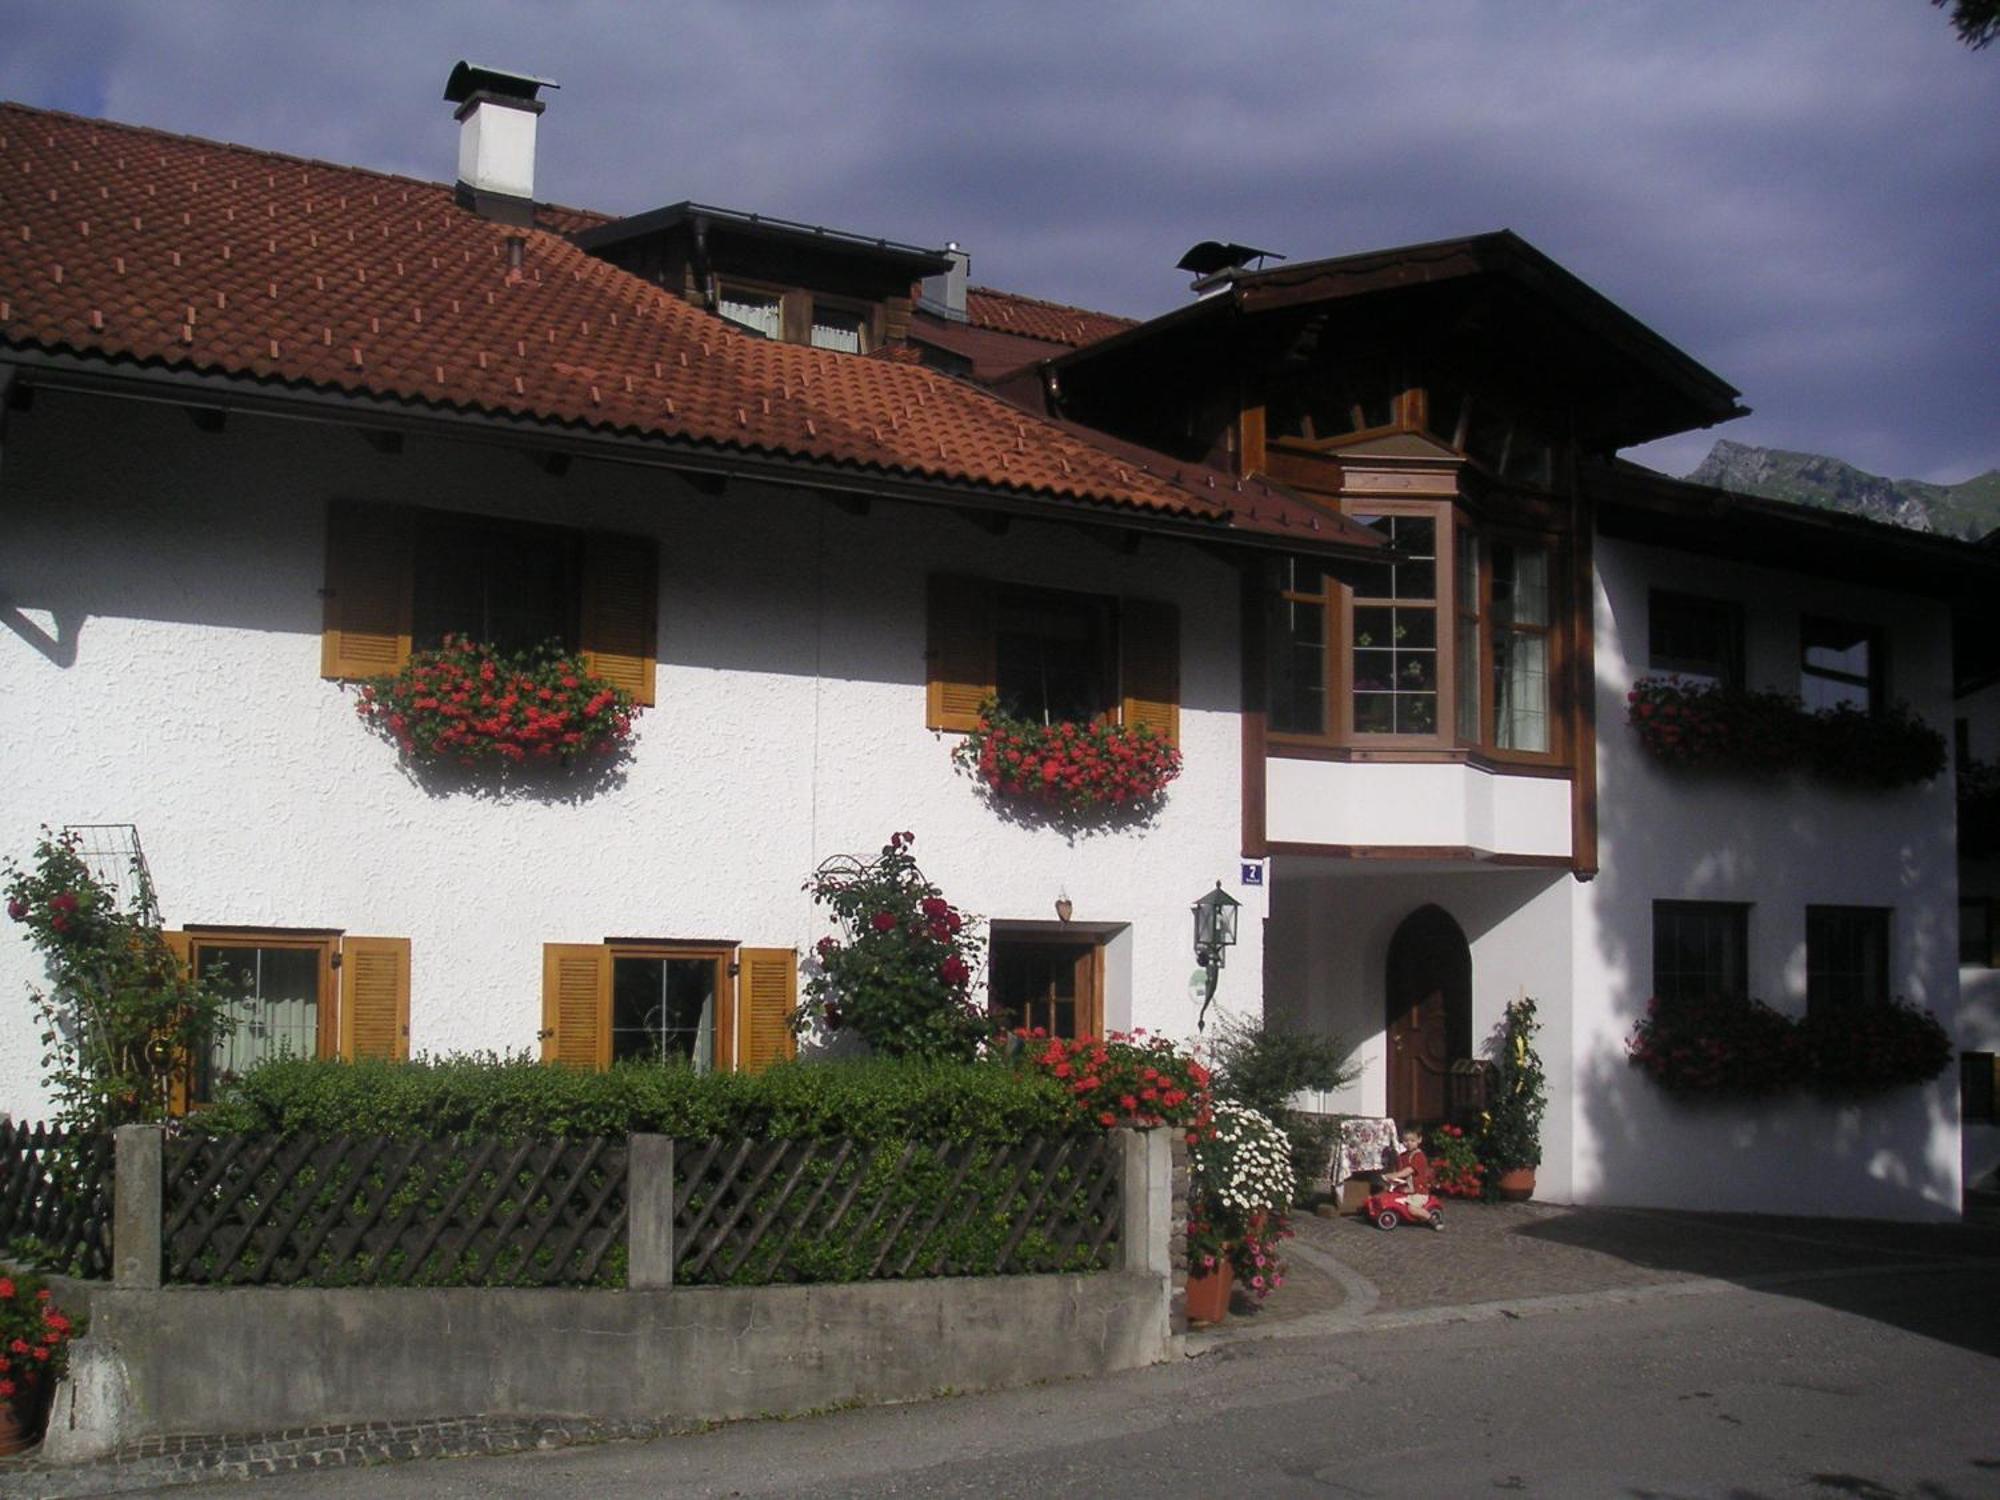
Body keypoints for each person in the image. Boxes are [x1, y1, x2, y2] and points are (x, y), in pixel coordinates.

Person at [1381, 1123, 1440, 1227]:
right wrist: (1390, 1176)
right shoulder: (1403, 1156)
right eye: (1406, 1141)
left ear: (1419, 1140)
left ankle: (1431, 1218)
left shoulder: (1418, 1156)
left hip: (1418, 1191)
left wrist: (1395, 1175)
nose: (1408, 1143)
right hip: (1407, 1189)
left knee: (1412, 1209)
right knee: (1391, 1195)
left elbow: (1409, 1170)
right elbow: (1400, 1170)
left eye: (1412, 1141)